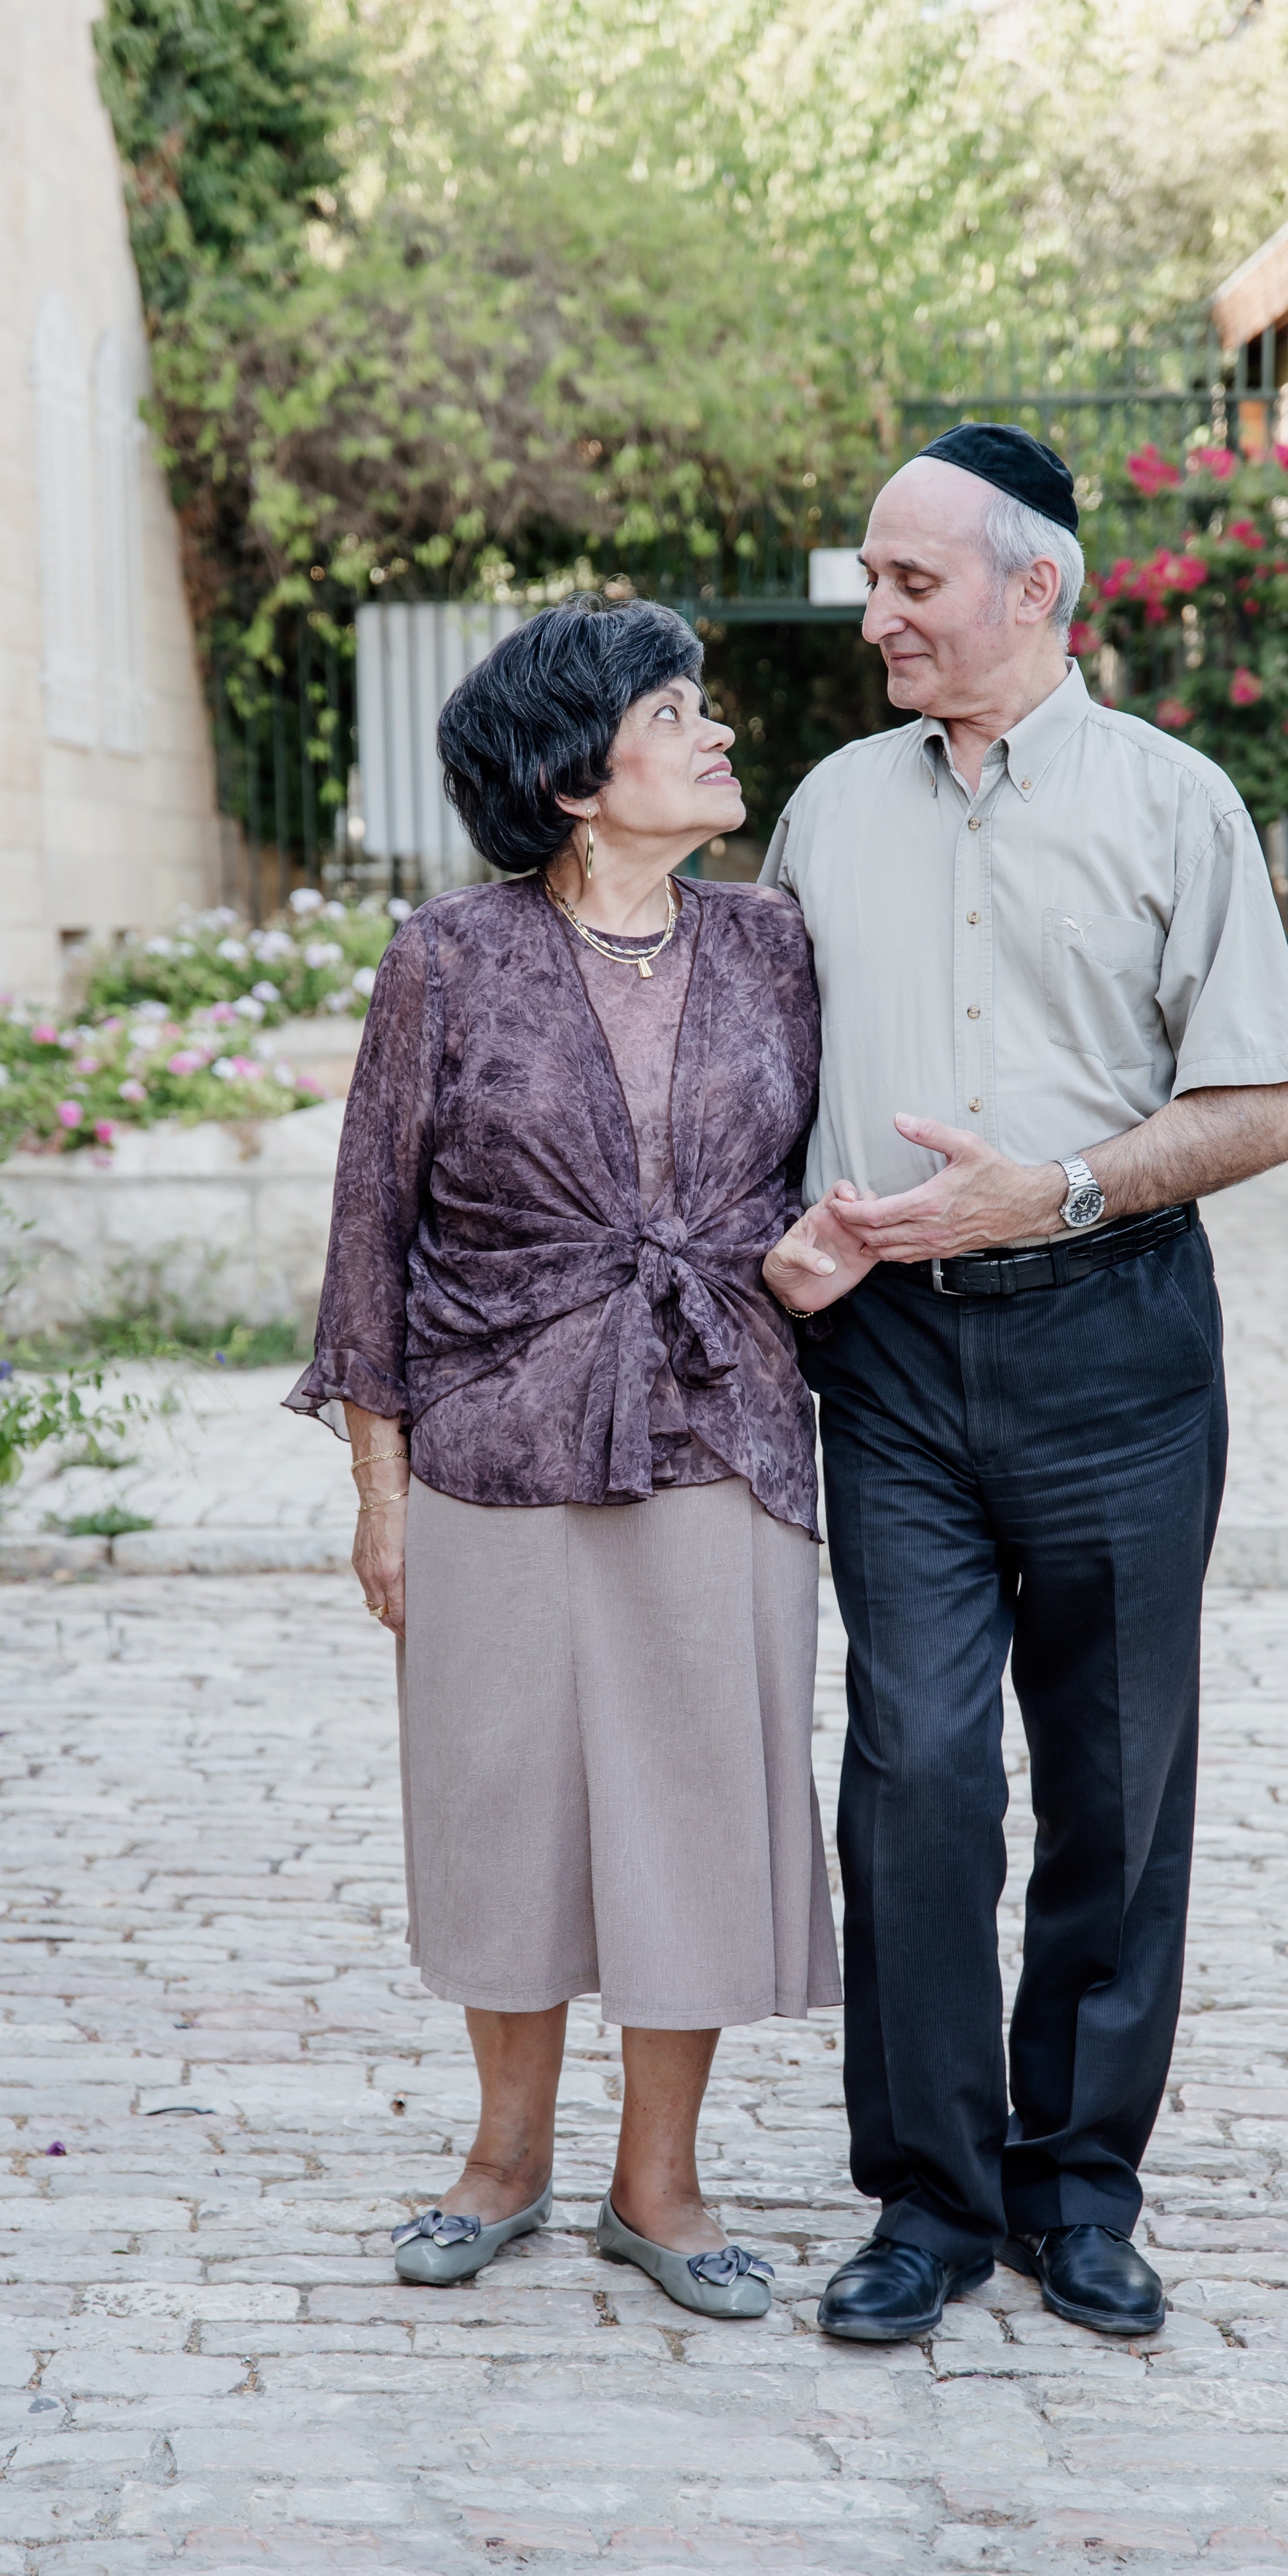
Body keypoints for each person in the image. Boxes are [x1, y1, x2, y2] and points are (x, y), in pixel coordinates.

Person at [760, 423, 1288, 2346]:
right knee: (914, 1762)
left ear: (1036, 594)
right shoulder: (828, 808)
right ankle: (930, 2191)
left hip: (1118, 1344)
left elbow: (1264, 1103)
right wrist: (795, 1239)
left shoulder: (1181, 806)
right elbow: (757, 1080)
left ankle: (1081, 2187)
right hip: (896, 1352)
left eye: (912, 580)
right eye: (875, 576)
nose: (879, 612)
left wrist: (1060, 1185)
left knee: (1115, 1775)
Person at [285, 595, 840, 2324]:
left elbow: (820, 1177)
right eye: (674, 712)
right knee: (500, 1799)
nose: (717, 731)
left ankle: (656, 2182)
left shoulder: (772, 945)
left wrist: (823, 1254)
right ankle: (502, 2157)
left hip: (714, 1424)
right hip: (489, 1441)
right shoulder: (445, 955)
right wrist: (377, 1496)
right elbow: (368, 1228)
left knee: (691, 1796)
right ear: (575, 778)